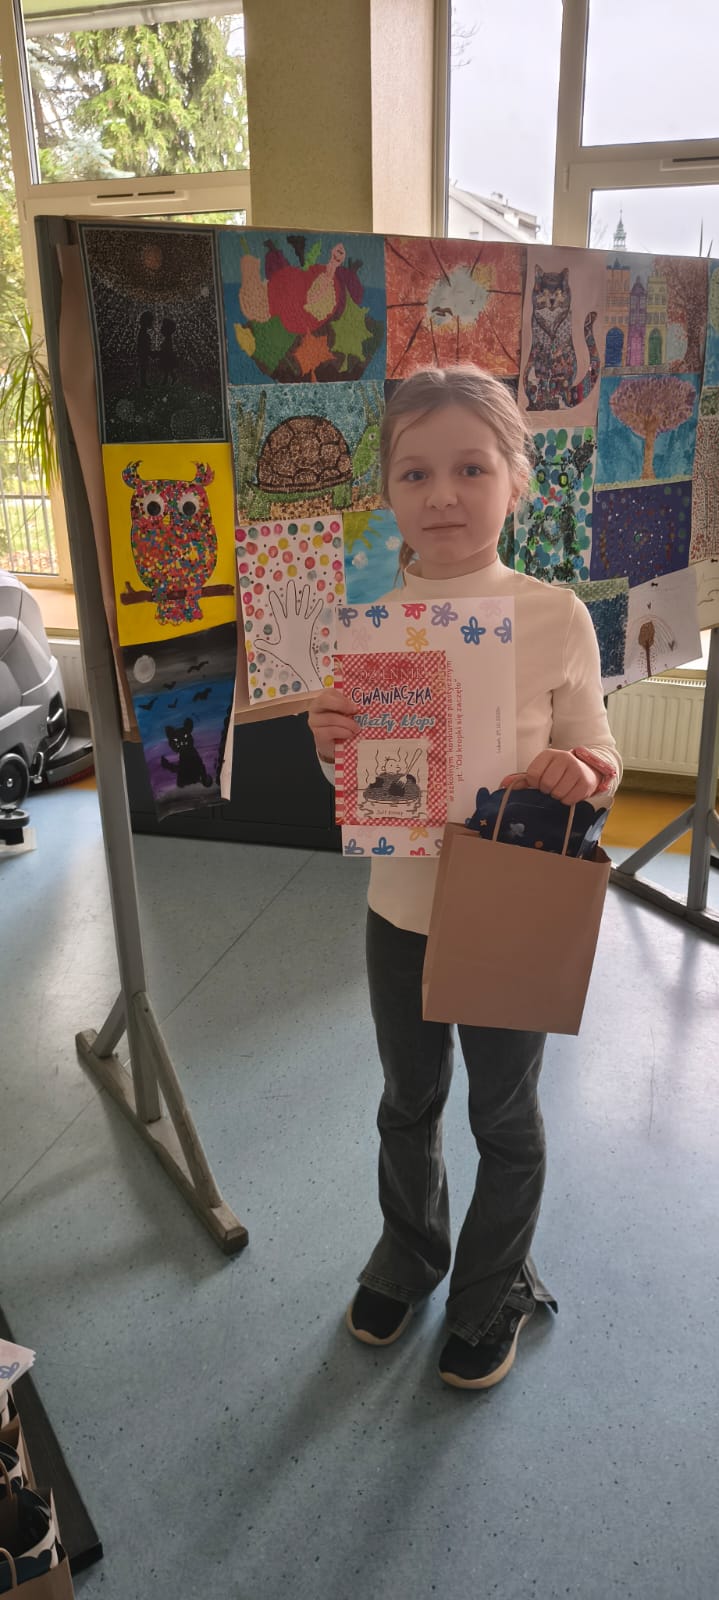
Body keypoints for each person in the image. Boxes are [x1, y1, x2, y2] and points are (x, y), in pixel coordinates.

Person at [308, 366, 622, 1391]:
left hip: (508, 908)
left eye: (471, 469)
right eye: (414, 472)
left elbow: (600, 759)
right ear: (387, 492)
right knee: (407, 1100)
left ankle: (492, 1289)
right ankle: (408, 1255)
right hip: (398, 910)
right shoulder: (370, 620)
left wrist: (580, 772)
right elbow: (360, 784)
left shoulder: (553, 614)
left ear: (515, 480)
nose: (442, 494)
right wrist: (330, 742)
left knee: (503, 1116)